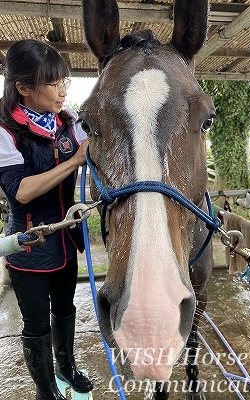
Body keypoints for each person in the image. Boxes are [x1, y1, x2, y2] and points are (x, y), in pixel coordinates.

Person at [0, 39, 93, 400]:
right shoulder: (7, 130)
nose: (63, 92)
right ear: (23, 88)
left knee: (66, 307)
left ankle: (66, 367)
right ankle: (45, 389)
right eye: (54, 84)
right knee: (36, 322)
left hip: (65, 240)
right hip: (29, 243)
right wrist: (72, 163)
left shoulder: (69, 123)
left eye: (64, 82)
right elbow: (20, 190)